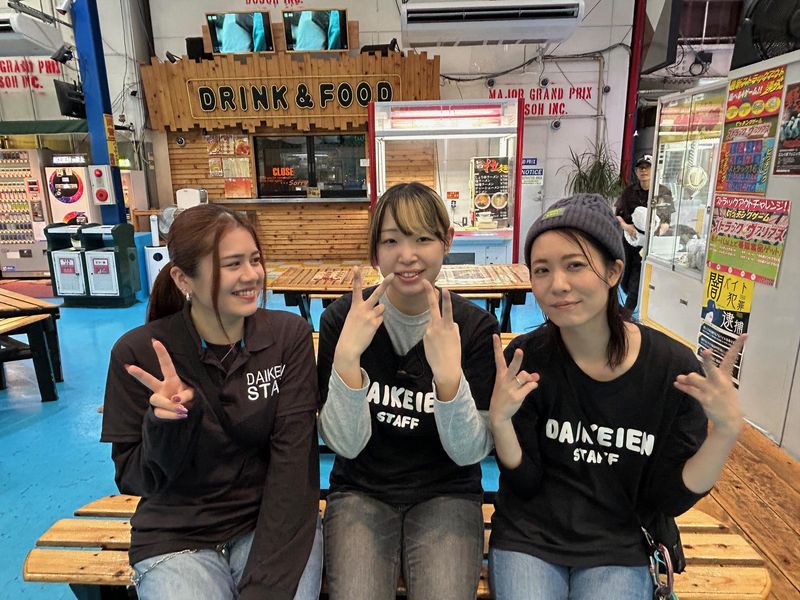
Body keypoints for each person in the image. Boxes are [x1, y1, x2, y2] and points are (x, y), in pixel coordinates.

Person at [488, 193, 746, 600]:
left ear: (614, 270)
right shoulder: (527, 359)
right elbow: (524, 482)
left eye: (575, 265)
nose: (558, 284)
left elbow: (669, 498)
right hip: (530, 537)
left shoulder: (672, 370)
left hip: (620, 543)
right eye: (542, 270)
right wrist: (501, 422)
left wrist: (725, 432)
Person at [101, 204, 323, 600]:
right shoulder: (139, 353)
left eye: (255, 259)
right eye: (232, 264)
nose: (251, 275)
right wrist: (166, 426)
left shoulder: (288, 337)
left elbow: (295, 463)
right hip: (176, 534)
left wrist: (265, 585)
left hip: (269, 523)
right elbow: (134, 479)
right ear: (182, 278)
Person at [317, 182, 498, 600]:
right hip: (361, 490)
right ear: (375, 251)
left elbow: (469, 452)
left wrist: (449, 379)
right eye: (391, 241)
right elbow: (345, 444)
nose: (407, 255)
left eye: (422, 239)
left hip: (447, 491)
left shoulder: (473, 328)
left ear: (447, 241)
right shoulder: (342, 320)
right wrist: (347, 359)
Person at [615, 154, 673, 310]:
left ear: (654, 170)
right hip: (630, 242)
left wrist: (659, 232)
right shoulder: (629, 192)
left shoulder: (663, 192)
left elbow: (667, 220)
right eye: (640, 168)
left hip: (651, 245)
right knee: (626, 278)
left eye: (647, 167)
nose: (644, 171)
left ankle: (627, 313)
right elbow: (618, 216)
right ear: (636, 171)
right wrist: (627, 227)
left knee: (638, 276)